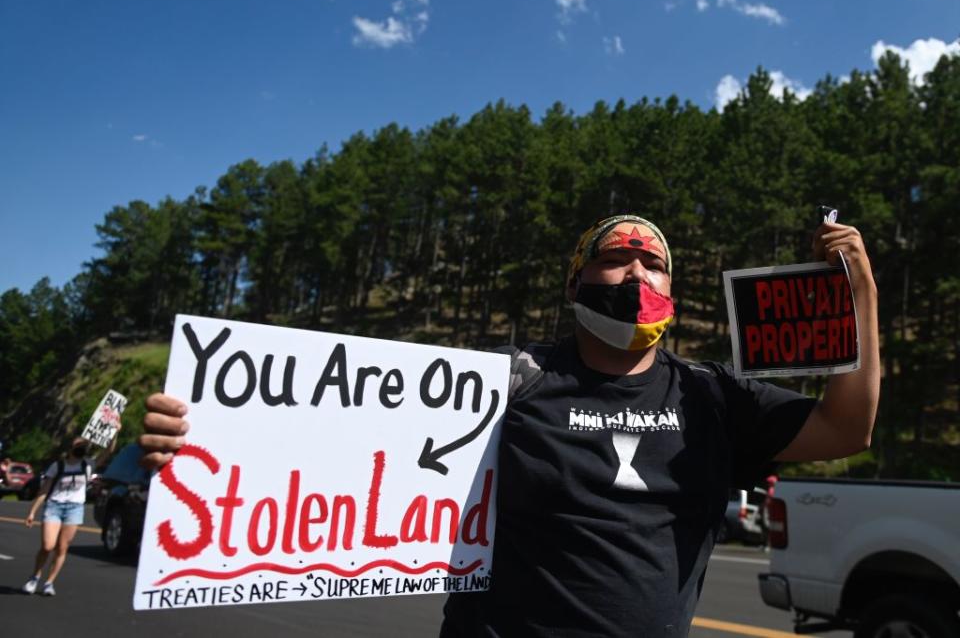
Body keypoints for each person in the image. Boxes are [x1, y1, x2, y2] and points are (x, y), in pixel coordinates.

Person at [140, 214, 880, 637]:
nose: (636, 272)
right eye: (616, 258)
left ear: (673, 290)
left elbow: (847, 426)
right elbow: (334, 443)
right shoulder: (504, 381)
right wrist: (202, 437)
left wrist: (860, 293)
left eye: (652, 263)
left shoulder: (713, 396)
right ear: (575, 283)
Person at [22, 433, 118, 596]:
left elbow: (108, 451)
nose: (81, 448)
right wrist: (32, 512)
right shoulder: (58, 466)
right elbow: (44, 490)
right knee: (48, 546)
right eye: (78, 446)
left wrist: (115, 433)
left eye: (84, 446)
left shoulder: (87, 465)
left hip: (74, 508)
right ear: (70, 448)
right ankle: (34, 577)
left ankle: (49, 583)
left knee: (62, 548)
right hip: (54, 506)